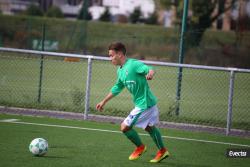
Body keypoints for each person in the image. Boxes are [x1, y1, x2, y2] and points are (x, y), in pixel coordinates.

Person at [96, 42, 169, 163]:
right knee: (149, 128)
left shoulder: (133, 65)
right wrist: (103, 101)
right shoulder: (120, 71)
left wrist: (150, 74)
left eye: (111, 55)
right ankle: (162, 151)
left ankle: (140, 147)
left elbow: (149, 69)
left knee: (124, 127)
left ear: (119, 54)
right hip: (146, 103)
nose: (110, 58)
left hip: (144, 104)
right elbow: (117, 88)